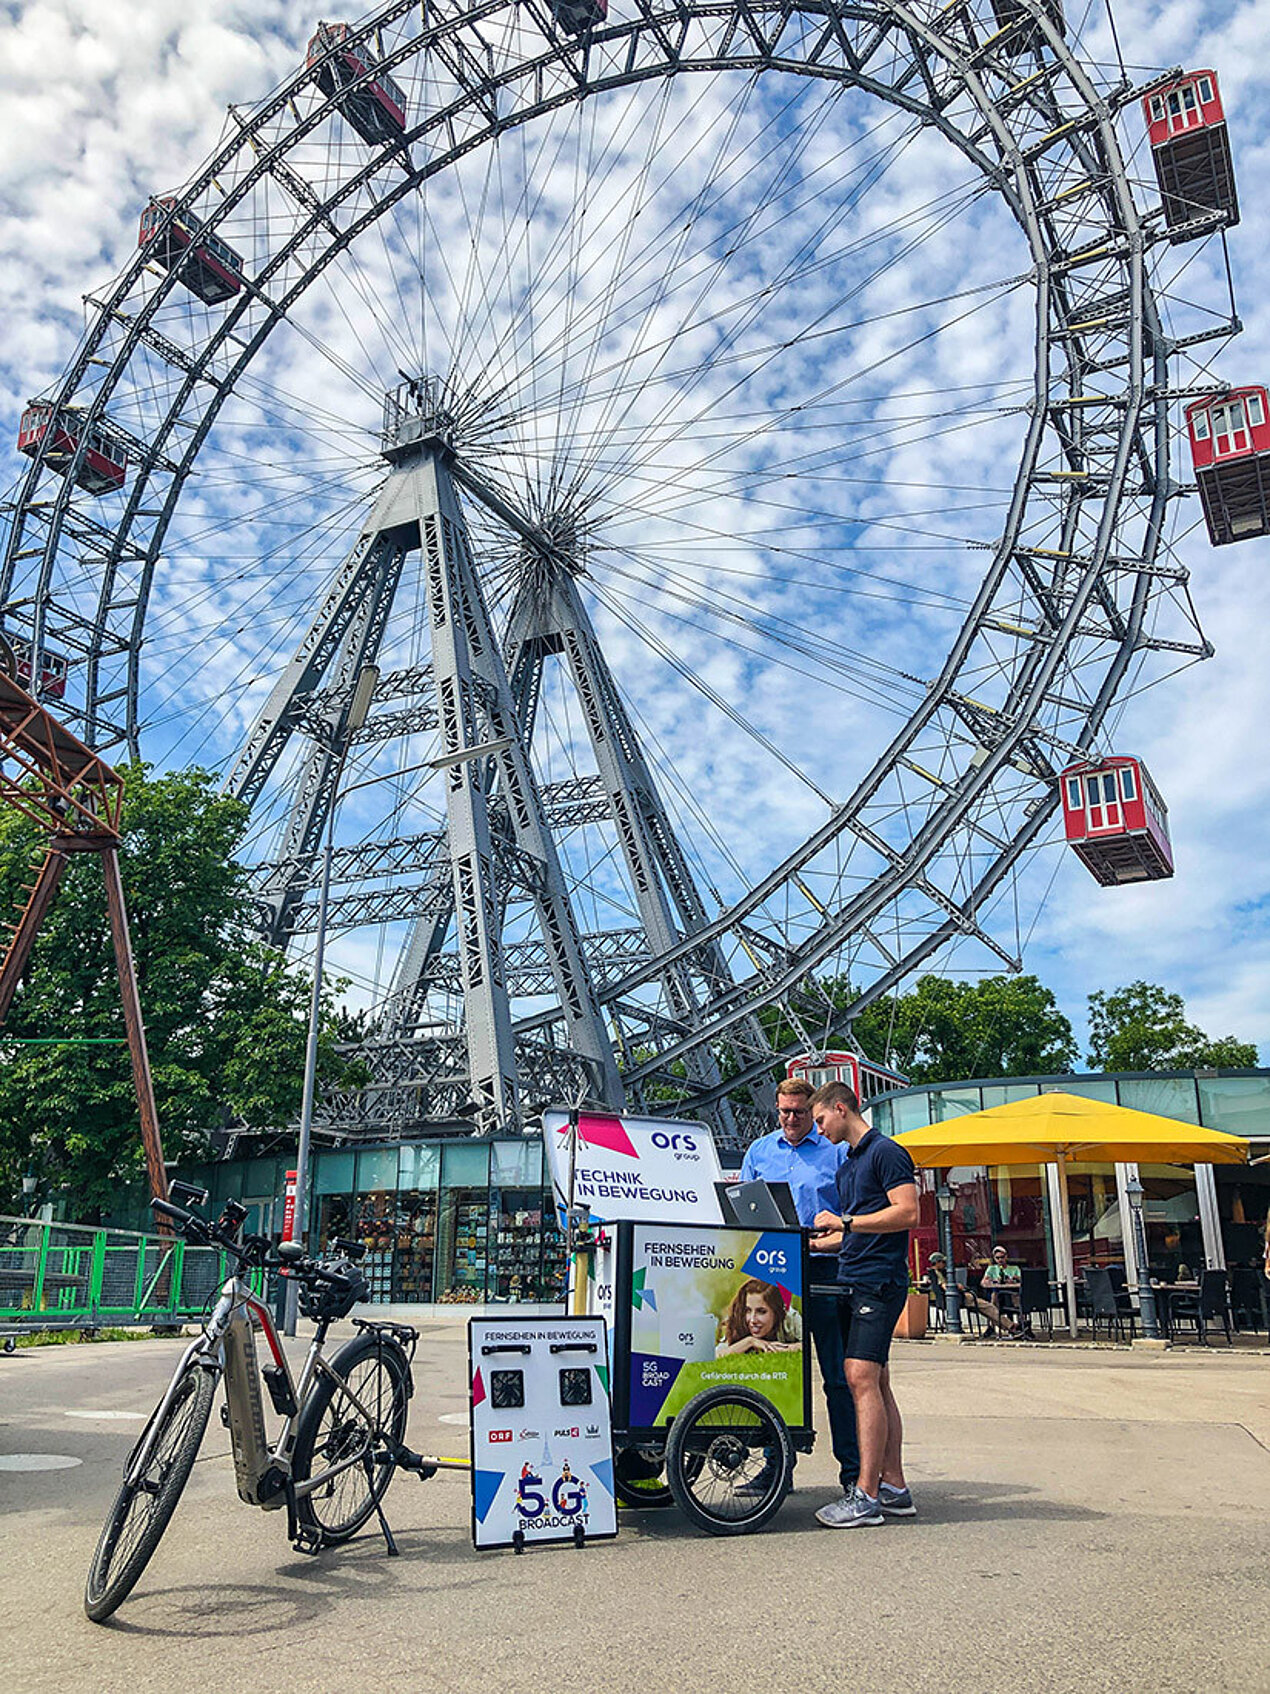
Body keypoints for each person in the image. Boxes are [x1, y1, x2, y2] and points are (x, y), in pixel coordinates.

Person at [739, 1076, 859, 1493]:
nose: (791, 1119)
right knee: (776, 1375)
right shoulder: (760, 1151)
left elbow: (853, 1212)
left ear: (815, 1111)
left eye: (800, 1112)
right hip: (776, 1273)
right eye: (784, 1111)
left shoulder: (837, 1150)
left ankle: (854, 1471)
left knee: (838, 1376)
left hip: (825, 1268)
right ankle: (776, 1468)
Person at [809, 1080, 919, 1528]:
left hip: (878, 1282)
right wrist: (815, 1243)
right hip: (857, 1276)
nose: (819, 1130)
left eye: (820, 1120)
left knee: (858, 1378)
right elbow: (855, 1233)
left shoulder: (885, 1152)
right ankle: (894, 1485)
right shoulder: (851, 1164)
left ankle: (867, 1495)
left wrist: (845, 1220)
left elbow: (908, 1212)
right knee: (878, 1383)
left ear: (841, 1108)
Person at [716, 1278, 800, 1355]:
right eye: (748, 1310)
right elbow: (716, 1354)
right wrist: (750, 1341)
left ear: (777, 1311)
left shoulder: (790, 1318)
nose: (753, 1320)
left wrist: (784, 1349)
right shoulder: (738, 1320)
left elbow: (811, 1345)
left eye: (761, 1312)